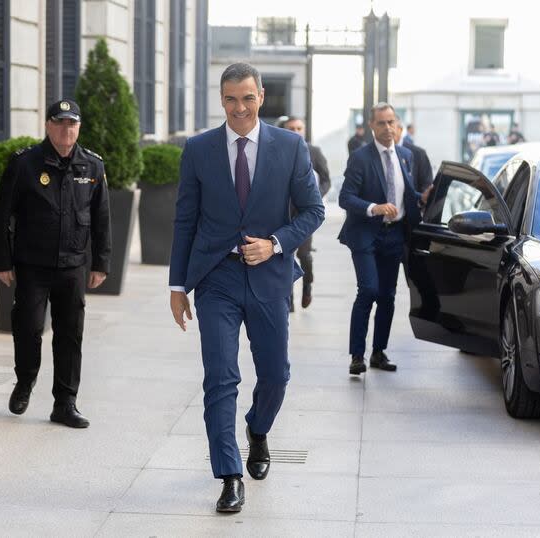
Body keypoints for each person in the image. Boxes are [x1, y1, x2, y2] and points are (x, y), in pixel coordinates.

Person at [169, 63, 324, 513]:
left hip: (269, 276)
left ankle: (258, 430)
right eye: (231, 99)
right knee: (220, 377)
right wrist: (178, 285)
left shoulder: (291, 147)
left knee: (276, 375)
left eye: (248, 98)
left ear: (261, 98)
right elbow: (184, 219)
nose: (240, 107)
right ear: (221, 99)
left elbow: (313, 211)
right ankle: (229, 474)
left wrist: (275, 244)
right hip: (216, 277)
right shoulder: (198, 149)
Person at [0, 99, 111, 429]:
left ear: (78, 128)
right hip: (32, 264)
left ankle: (65, 402)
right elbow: (0, 214)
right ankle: (25, 381)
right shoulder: (25, 163)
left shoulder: (92, 167)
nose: (65, 130)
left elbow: (101, 218)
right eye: (59, 123)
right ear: (47, 126)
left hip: (72, 265)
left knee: (70, 334)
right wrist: (1, 260)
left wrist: (101, 262)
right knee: (28, 328)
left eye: (72, 124)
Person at [338, 103, 431, 375]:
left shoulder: (405, 156)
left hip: (395, 235)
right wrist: (374, 207)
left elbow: (407, 194)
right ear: (372, 126)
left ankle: (379, 352)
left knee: (388, 297)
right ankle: (357, 355)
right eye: (382, 123)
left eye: (391, 122)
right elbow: (345, 197)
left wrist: (422, 198)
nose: (388, 128)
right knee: (368, 290)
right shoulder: (360, 157)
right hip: (366, 234)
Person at [278, 116, 331, 309]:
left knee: (304, 254)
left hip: (305, 214)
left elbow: (326, 179)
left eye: (299, 128)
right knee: (285, 254)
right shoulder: (276, 149)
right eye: (291, 128)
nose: (295, 131)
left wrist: (315, 196)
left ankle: (308, 284)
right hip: (281, 212)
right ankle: (289, 299)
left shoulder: (314, 151)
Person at [396, 119, 433, 193]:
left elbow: (427, 184)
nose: (387, 129)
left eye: (391, 124)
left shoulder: (418, 153)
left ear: (400, 129)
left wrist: (420, 201)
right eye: (381, 124)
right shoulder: (376, 154)